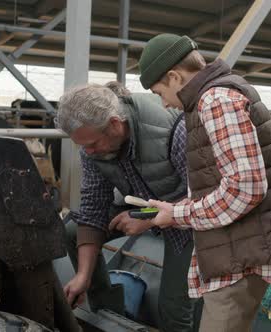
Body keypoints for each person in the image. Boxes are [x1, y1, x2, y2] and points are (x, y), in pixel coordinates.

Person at [137, 34, 271, 331]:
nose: (164, 104)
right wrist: (173, 210)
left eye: (159, 92)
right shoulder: (217, 95)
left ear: (174, 76)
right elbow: (224, 181)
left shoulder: (216, 101)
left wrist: (178, 214)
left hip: (242, 255)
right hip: (240, 247)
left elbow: (245, 188)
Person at [56, 83, 198, 331]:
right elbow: (93, 206)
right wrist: (83, 276)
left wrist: (150, 219)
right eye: (81, 146)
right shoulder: (92, 150)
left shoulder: (175, 130)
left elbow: (202, 197)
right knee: (72, 230)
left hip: (187, 217)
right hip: (146, 203)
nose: (87, 152)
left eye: (92, 143)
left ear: (114, 124)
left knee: (173, 308)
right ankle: (109, 314)